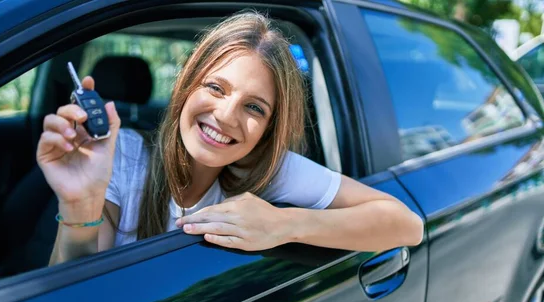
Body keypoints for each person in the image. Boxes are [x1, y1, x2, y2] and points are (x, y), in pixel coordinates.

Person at [37, 11, 424, 266]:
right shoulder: (124, 157)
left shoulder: (269, 169)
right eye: (216, 88)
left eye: (254, 108)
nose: (225, 116)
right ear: (187, 85)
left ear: (270, 127)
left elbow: (407, 224)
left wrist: (285, 224)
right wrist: (79, 206)